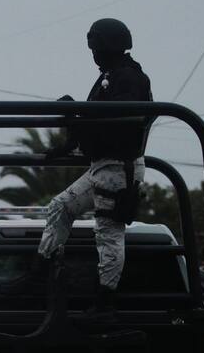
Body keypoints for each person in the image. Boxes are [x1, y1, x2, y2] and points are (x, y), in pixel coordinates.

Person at [38, 18, 153, 321]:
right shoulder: (112, 76)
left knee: (109, 233)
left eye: (96, 48)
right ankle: (43, 272)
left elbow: (117, 123)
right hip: (104, 165)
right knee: (60, 206)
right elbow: (96, 125)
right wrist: (66, 145)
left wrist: (76, 111)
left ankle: (105, 300)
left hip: (118, 168)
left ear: (109, 46)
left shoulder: (128, 78)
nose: (93, 54)